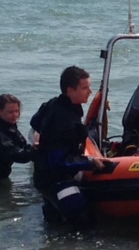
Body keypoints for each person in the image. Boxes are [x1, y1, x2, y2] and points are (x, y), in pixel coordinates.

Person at [30, 66, 105, 223]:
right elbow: (59, 162)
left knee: (55, 220)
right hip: (55, 178)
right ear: (70, 91)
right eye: (85, 88)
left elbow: (35, 122)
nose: (90, 91)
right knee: (82, 216)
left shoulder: (53, 104)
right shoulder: (65, 122)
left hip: (44, 174)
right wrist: (90, 163)